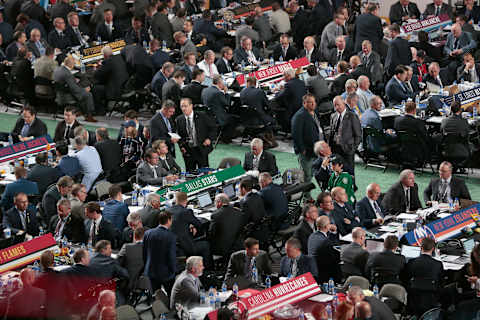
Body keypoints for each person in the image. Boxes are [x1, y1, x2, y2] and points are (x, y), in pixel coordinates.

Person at [291, 94, 323, 197]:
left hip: (316, 149)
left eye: (314, 102)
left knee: (313, 173)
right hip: (307, 151)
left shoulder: (313, 113)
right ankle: (306, 197)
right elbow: (296, 135)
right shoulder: (299, 116)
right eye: (310, 102)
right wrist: (302, 149)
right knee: (306, 175)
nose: (313, 104)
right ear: (304, 103)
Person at [170, 191, 212, 266]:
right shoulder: (186, 211)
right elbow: (199, 224)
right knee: (206, 245)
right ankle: (208, 270)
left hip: (174, 246)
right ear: (186, 200)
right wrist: (193, 225)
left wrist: (190, 225)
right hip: (186, 246)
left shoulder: (168, 210)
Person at [405, 237, 444, 316]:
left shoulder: (411, 262)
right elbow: (441, 282)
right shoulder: (438, 264)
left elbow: (406, 279)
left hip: (413, 300)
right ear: (433, 249)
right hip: (432, 300)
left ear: (421, 247)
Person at [176, 97, 216, 172]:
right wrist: (181, 146)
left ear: (191, 106)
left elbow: (213, 128)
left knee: (204, 173)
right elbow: (179, 136)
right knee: (190, 174)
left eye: (185, 106)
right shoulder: (179, 119)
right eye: (182, 106)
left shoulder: (202, 116)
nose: (183, 108)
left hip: (201, 149)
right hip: (188, 152)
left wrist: (209, 139)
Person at [54, 56, 97, 122]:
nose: (74, 65)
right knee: (88, 95)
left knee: (81, 89)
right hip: (66, 97)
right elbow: (74, 89)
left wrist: (73, 80)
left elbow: (67, 83)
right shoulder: (67, 74)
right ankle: (89, 116)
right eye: (74, 63)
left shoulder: (58, 69)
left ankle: (81, 111)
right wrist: (84, 90)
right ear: (70, 64)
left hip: (59, 94)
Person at [143, 211, 176, 295]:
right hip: (166, 273)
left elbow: (144, 253)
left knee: (155, 295)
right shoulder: (170, 236)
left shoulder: (148, 233)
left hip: (150, 270)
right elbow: (171, 256)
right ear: (169, 220)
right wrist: (173, 270)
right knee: (171, 294)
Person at [329, 96, 361, 176]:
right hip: (335, 150)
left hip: (347, 150)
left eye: (338, 105)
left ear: (343, 103)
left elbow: (358, 135)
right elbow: (331, 133)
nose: (336, 107)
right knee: (336, 173)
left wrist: (353, 149)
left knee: (349, 174)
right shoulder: (333, 116)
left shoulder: (352, 116)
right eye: (335, 105)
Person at [93, 45, 129, 114]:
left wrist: (96, 69)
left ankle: (100, 111)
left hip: (116, 91)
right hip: (125, 87)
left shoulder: (108, 61)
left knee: (95, 89)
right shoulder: (119, 58)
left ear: (105, 55)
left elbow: (97, 75)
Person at [308, 215, 341, 282]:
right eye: (329, 223)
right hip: (323, 272)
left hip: (313, 269)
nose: (331, 225)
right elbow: (334, 257)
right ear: (326, 226)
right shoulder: (325, 242)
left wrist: (333, 232)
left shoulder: (312, 236)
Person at [117, 226, 145, 291]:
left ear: (134, 236)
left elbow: (117, 262)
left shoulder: (126, 247)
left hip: (126, 283)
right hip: (144, 285)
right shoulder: (150, 249)